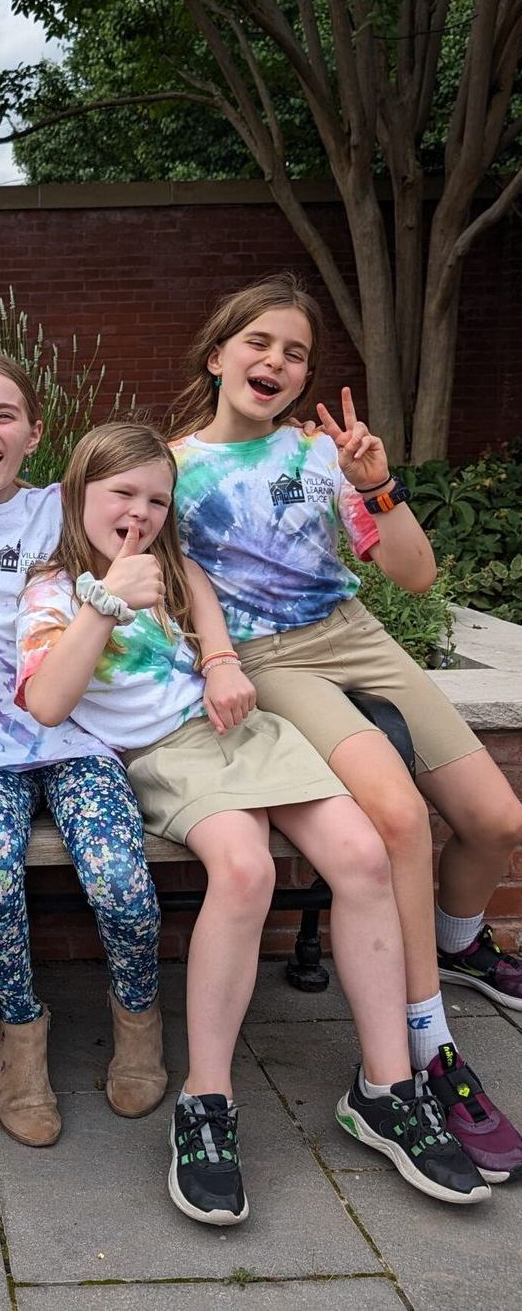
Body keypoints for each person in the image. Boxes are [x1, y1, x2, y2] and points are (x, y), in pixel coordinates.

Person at [17, 421, 487, 1225]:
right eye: (120, 495)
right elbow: (49, 701)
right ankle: (206, 1106)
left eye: (157, 499)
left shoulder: (179, 568)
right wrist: (103, 603)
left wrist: (222, 664)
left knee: (365, 857)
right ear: (77, 496)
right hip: (165, 755)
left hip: (242, 733)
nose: (140, 512)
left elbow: (212, 628)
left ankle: (385, 1088)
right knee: (246, 869)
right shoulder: (53, 588)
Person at [169, 274, 522, 1183]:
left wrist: (378, 484)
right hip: (272, 659)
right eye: (258, 344)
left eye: (294, 353)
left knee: (498, 821)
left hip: (352, 634)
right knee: (399, 818)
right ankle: (424, 1044)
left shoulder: (323, 456)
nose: (276, 362)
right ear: (218, 356)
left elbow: (413, 578)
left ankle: (459, 941)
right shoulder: (172, 467)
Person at [0, 355, 167, 1146]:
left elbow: (154, 483)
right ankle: (19, 1038)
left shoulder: (63, 506)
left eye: (5, 415)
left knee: (121, 880)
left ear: (36, 434)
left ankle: (140, 1019)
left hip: (77, 735)